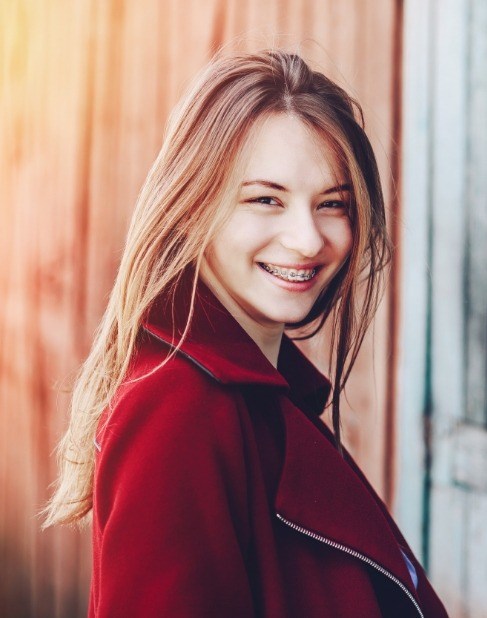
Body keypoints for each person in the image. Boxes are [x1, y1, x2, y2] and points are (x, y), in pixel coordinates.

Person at [44, 49, 448, 617]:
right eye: (265, 200)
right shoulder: (177, 408)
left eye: (333, 204)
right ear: (192, 207)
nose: (308, 240)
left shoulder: (260, 395)